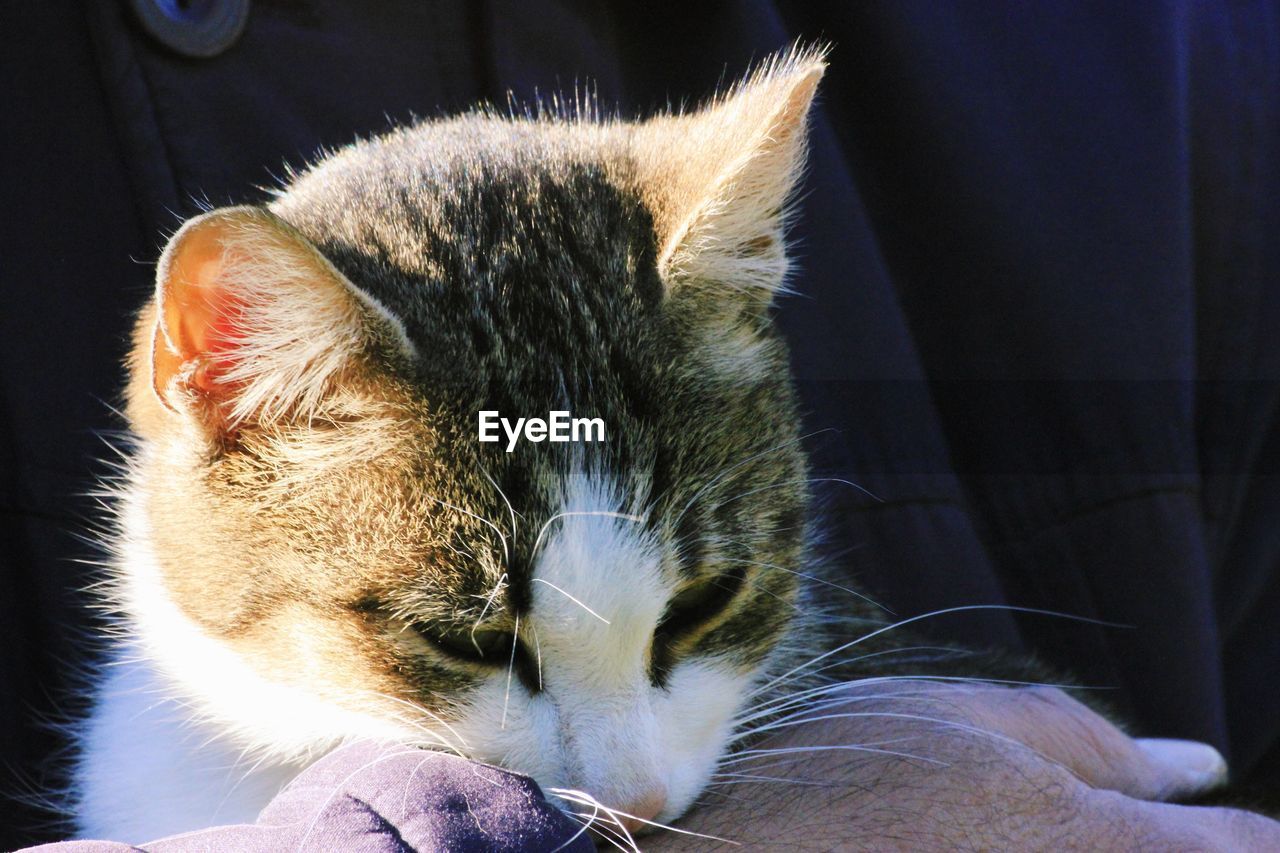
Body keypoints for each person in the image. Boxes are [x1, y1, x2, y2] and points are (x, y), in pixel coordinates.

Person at [3, 1, 1277, 848]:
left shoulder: (1182, 60)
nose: (634, 786)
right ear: (233, 394)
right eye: (474, 644)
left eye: (694, 612)